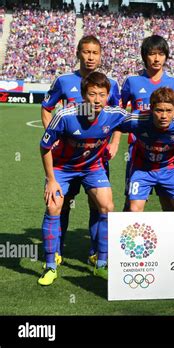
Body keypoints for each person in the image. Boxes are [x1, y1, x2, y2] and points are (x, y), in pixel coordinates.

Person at [39, 72, 128, 285]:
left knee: (107, 206)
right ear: (82, 95)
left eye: (102, 95)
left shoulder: (115, 114)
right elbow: (44, 147)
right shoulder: (65, 115)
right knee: (54, 206)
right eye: (92, 94)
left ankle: (101, 264)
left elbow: (142, 122)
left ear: (108, 96)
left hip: (93, 167)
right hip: (63, 168)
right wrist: (51, 180)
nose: (97, 100)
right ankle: (51, 266)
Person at [121, 35, 174, 211]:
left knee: (169, 202)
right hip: (138, 149)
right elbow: (118, 114)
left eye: (160, 53)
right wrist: (113, 143)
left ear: (166, 56)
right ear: (144, 56)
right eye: (152, 54)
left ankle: (171, 238)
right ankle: (125, 237)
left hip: (168, 149)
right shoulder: (131, 82)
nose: (156, 58)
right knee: (133, 202)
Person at [119, 87, 174, 212]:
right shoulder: (136, 120)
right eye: (159, 110)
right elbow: (114, 124)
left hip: (170, 169)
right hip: (142, 169)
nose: (164, 116)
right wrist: (114, 142)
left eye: (169, 111)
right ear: (151, 109)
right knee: (134, 210)